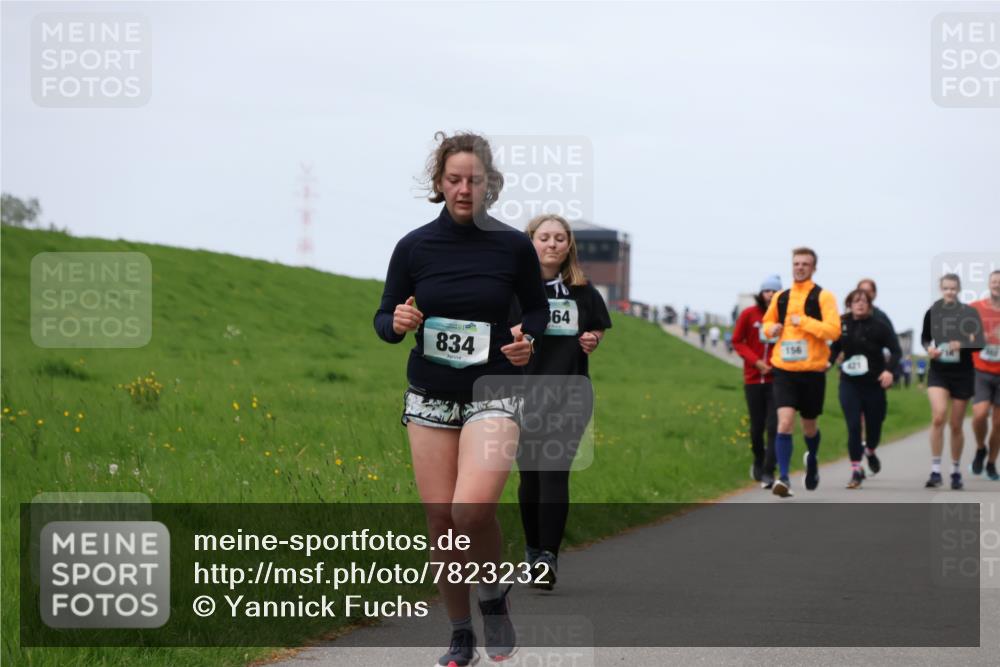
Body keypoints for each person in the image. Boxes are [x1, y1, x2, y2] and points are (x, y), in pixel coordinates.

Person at [373, 132, 549, 666]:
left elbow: (537, 310)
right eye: (454, 179)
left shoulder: (513, 246)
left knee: (469, 510)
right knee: (441, 521)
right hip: (430, 395)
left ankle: (492, 600)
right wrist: (397, 322)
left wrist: (527, 340)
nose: (464, 189)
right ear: (439, 183)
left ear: (489, 184)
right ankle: (459, 634)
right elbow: (384, 318)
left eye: (474, 180)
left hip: (493, 391)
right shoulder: (413, 246)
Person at [510, 214, 612, 591]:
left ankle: (547, 559)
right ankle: (533, 548)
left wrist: (593, 339)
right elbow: (498, 330)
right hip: (522, 392)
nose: (552, 244)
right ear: (530, 242)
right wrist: (518, 331)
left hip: (570, 392)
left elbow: (597, 325)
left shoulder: (583, 291)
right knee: (530, 477)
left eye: (559, 238)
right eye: (544, 238)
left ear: (569, 245)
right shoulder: (514, 289)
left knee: (554, 472)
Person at [761, 247, 841, 498]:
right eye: (796, 263)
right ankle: (783, 477)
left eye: (805, 264)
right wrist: (770, 329)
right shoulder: (780, 297)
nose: (800, 267)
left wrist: (803, 321)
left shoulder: (823, 297)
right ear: (791, 266)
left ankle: (813, 460)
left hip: (813, 371)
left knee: (809, 427)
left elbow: (833, 331)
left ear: (813, 268)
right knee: (784, 423)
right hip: (784, 369)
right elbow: (764, 326)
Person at [829, 289, 900, 488]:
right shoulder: (842, 324)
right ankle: (855, 471)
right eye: (855, 301)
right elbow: (834, 348)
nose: (859, 304)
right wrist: (828, 363)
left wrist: (888, 371)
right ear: (849, 304)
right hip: (849, 383)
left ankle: (870, 450)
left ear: (869, 305)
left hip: (873, 384)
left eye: (863, 301)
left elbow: (896, 351)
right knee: (853, 426)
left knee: (874, 427)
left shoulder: (879, 326)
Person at [921, 273, 985, 490]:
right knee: (938, 416)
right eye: (946, 288)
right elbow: (925, 337)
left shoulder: (969, 313)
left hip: (963, 373)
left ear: (958, 290)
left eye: (953, 288)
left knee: (956, 425)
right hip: (939, 371)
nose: (949, 292)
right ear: (941, 289)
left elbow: (980, 343)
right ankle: (936, 470)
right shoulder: (933, 311)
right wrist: (928, 348)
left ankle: (955, 470)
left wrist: (963, 344)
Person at [732, 274, 781, 488]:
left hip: (776, 380)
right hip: (753, 379)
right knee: (756, 427)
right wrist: (755, 362)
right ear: (761, 293)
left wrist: (775, 364)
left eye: (774, 291)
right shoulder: (748, 314)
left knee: (774, 426)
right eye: (767, 291)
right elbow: (737, 341)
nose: (770, 294)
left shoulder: (784, 317)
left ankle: (769, 470)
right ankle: (759, 460)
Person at [970, 270, 1000, 480]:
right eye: (994, 282)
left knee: (998, 424)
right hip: (980, 369)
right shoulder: (975, 308)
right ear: (989, 284)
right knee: (980, 414)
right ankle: (980, 448)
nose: (997, 285)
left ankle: (991, 463)